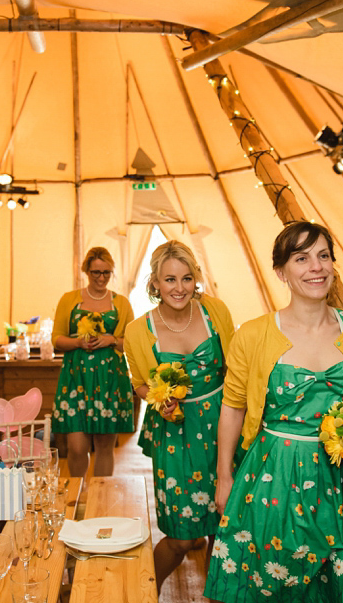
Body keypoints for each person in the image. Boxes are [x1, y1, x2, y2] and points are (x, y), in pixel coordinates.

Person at [205, 221, 343, 602]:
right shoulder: (253, 335)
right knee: (277, 583)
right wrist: (224, 476)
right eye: (301, 258)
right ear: (281, 273)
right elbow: (233, 408)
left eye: (323, 256)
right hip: (275, 477)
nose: (316, 267)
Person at [125, 241, 235, 594]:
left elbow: (235, 369)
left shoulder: (214, 311)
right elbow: (141, 384)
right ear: (155, 282)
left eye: (187, 278)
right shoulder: (138, 331)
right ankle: (142, 596)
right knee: (181, 538)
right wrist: (160, 402)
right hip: (175, 436)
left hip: (222, 427)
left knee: (225, 532)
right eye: (170, 279)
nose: (179, 288)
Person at [51, 247, 134, 480]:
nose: (101, 278)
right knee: (77, 447)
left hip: (110, 380)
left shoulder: (122, 304)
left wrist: (111, 340)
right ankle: (78, 497)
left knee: (105, 447)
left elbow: (132, 342)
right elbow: (56, 338)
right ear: (86, 271)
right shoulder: (69, 300)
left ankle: (101, 500)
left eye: (106, 273)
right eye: (96, 272)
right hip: (75, 380)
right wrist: (78, 343)